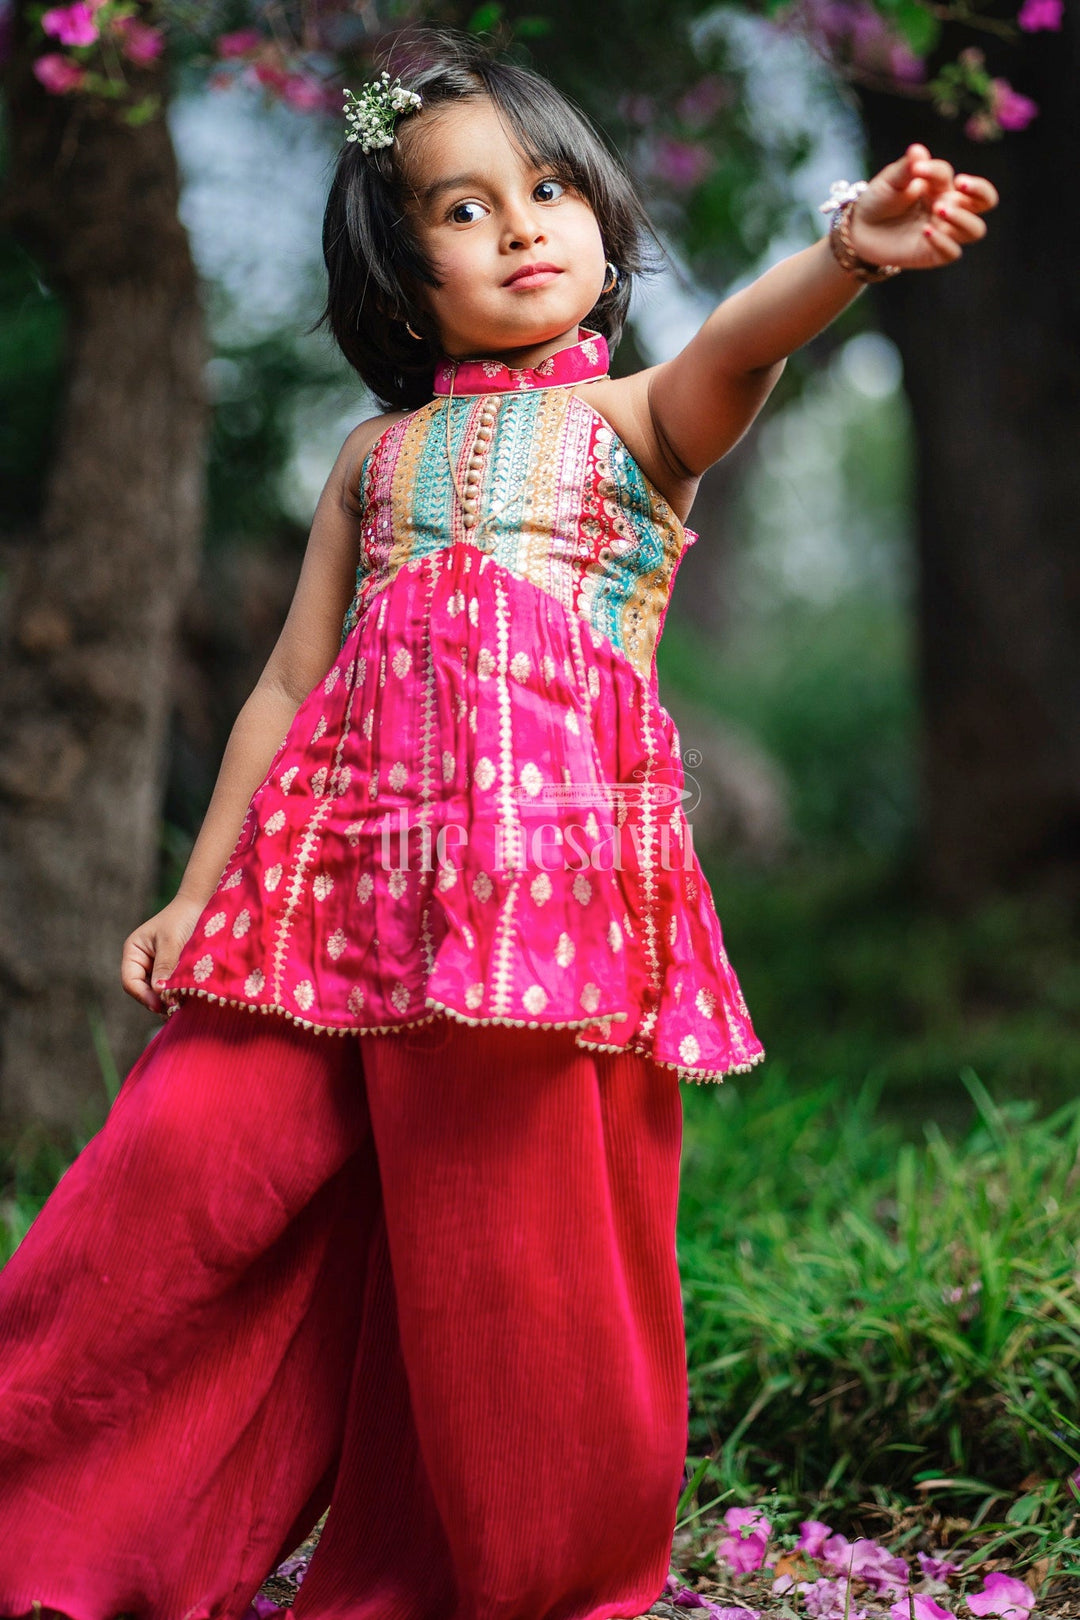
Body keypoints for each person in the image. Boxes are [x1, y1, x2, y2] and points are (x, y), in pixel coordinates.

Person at [0, 25, 998, 1620]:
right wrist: (198, 894)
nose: (521, 223)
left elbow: (740, 347)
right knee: (175, 1182)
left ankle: (528, 1582)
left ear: (603, 225)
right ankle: (50, 1524)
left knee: (517, 1270)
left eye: (548, 189)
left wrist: (843, 258)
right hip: (318, 908)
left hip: (537, 929)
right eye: (460, 209)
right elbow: (279, 691)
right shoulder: (372, 460)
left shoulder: (635, 424)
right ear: (403, 283)